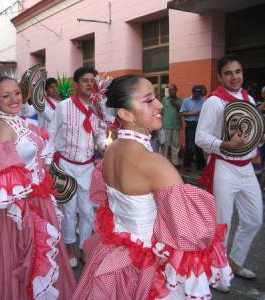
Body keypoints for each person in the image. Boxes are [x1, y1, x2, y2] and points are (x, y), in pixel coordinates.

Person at [73, 75, 232, 299]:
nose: (159, 105)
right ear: (125, 113)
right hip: (147, 263)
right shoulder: (154, 164)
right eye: (148, 101)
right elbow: (190, 234)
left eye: (156, 97)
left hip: (115, 250)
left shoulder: (112, 150)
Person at [0, 76, 76, 300]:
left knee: (43, 257)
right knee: (25, 258)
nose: (13, 99)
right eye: (5, 95)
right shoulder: (2, 130)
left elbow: (39, 154)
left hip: (40, 200)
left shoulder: (21, 122)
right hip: (21, 209)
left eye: (17, 93)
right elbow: (6, 184)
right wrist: (27, 214)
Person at [196, 54, 263, 282]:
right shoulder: (214, 101)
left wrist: (258, 137)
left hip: (246, 168)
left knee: (254, 218)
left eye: (238, 72)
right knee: (222, 222)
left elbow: (251, 133)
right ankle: (216, 272)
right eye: (228, 73)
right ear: (219, 76)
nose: (234, 77)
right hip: (224, 166)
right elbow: (200, 137)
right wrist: (225, 143)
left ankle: (233, 262)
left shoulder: (249, 98)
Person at [48, 67, 106, 268]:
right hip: (66, 165)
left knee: (88, 210)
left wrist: (106, 149)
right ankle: (70, 246)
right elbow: (51, 135)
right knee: (69, 210)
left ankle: (84, 247)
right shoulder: (63, 107)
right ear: (75, 84)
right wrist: (50, 166)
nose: (90, 84)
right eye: (85, 80)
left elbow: (99, 134)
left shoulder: (98, 108)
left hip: (87, 166)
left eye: (92, 81)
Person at [180, 85, 206, 170]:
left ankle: (200, 165)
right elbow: (181, 113)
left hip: (200, 124)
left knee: (199, 144)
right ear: (193, 92)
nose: (198, 95)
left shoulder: (203, 101)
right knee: (190, 145)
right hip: (190, 124)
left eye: (199, 93)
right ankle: (187, 164)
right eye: (196, 93)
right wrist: (193, 113)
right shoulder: (186, 101)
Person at [159, 84, 182, 167]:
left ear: (176, 90)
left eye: (172, 90)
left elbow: (182, 111)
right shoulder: (164, 99)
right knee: (164, 144)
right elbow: (161, 112)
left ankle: (175, 162)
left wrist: (175, 103)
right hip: (166, 125)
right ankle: (163, 162)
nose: (171, 91)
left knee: (175, 145)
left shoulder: (180, 100)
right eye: (169, 90)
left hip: (176, 126)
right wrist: (160, 124)